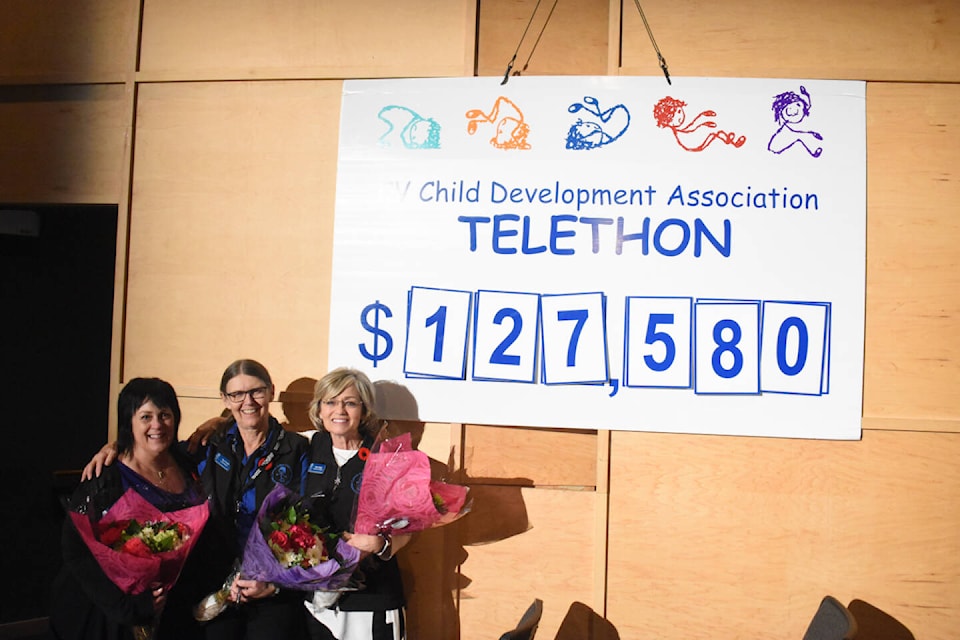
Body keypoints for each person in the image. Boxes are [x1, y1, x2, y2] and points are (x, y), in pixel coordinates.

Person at [80, 359, 311, 640]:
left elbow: (306, 524)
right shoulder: (206, 445)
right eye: (237, 394)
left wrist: (274, 583)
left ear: (271, 392)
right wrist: (117, 447)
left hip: (272, 587)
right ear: (225, 399)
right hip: (213, 588)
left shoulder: (297, 449)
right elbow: (154, 450)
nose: (247, 401)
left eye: (257, 391)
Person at [50, 377, 208, 640]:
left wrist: (218, 422)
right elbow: (75, 551)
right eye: (145, 416)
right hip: (111, 612)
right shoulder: (106, 475)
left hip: (172, 607)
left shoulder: (187, 462)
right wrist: (129, 607)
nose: (157, 425)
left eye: (165, 415)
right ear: (129, 422)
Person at [302, 367, 412, 640]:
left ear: (364, 411)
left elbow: (409, 524)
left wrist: (382, 545)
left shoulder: (387, 456)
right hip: (313, 602)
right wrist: (215, 425)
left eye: (350, 403)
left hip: (372, 598)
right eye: (330, 402)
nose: (339, 410)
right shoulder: (305, 446)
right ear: (319, 409)